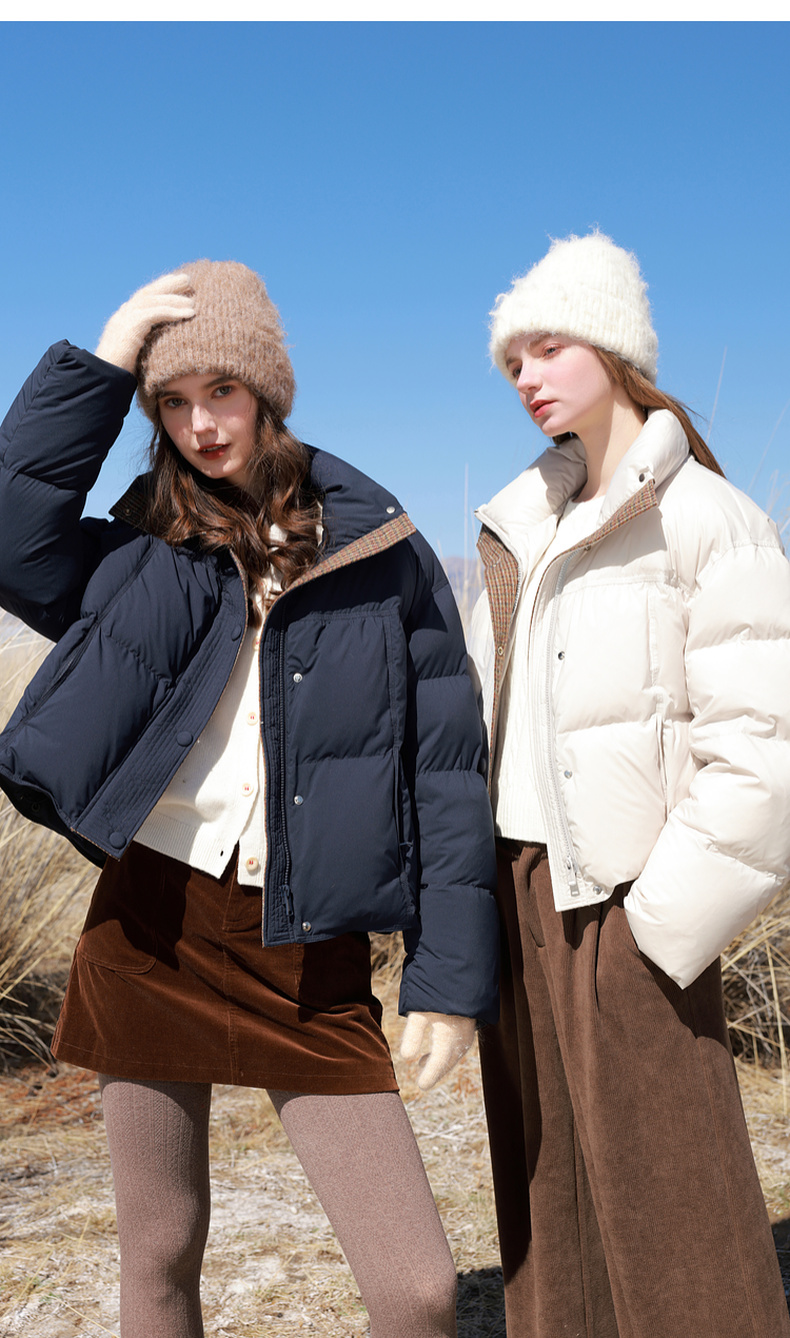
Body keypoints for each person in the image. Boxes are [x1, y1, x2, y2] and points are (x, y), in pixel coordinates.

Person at [0, 260, 499, 1338]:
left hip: (307, 952)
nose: (199, 426)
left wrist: (448, 983)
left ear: (267, 391)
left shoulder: (384, 555)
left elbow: (447, 777)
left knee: (416, 1290)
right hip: (150, 928)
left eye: (220, 391)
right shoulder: (146, 545)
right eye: (172, 403)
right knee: (160, 1250)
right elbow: (11, 533)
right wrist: (104, 358)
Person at [468, 230, 790, 1338]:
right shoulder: (524, 526)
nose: (527, 377)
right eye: (513, 360)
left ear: (615, 350)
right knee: (547, 1207)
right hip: (518, 893)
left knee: (679, 1214)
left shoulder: (708, 518)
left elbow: (764, 752)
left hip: (625, 904)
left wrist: (656, 925)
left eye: (549, 348)